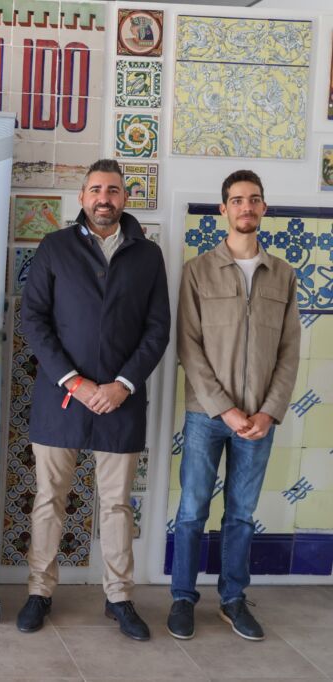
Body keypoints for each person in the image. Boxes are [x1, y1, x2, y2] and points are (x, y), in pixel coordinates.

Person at [18, 158, 170, 640]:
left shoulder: (148, 256)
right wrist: (74, 381)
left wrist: (121, 384)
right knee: (49, 500)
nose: (105, 198)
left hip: (121, 402)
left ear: (125, 198)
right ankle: (39, 593)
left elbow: (157, 328)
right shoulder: (54, 247)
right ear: (82, 197)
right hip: (61, 400)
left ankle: (120, 598)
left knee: (116, 506)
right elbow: (33, 320)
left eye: (114, 190)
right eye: (96, 189)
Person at [168, 170, 300, 642]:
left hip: (259, 420)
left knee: (241, 513)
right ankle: (183, 598)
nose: (246, 207)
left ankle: (232, 599)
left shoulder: (283, 274)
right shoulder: (198, 271)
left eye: (255, 200)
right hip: (207, 416)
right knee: (191, 510)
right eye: (237, 200)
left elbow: (288, 352)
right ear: (223, 209)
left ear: (264, 209)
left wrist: (268, 412)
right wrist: (225, 408)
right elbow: (189, 346)